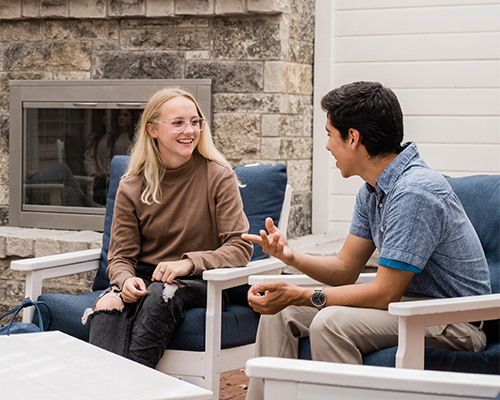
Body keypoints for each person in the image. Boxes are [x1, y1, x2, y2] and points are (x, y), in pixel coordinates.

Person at [243, 81, 492, 400]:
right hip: (403, 309)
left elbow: (383, 293)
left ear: (353, 137)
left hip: (452, 321)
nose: (327, 146)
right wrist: (292, 256)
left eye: (329, 134)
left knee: (331, 322)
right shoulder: (372, 191)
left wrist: (302, 294)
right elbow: (346, 268)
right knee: (280, 313)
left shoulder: (414, 193)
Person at [85, 87, 253, 368]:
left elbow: (240, 247)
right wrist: (126, 282)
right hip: (146, 277)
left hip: (203, 282)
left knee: (162, 293)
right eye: (178, 123)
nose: (190, 130)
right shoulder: (132, 185)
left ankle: (134, 388)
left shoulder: (218, 176)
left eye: (195, 121)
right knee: (107, 306)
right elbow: (120, 257)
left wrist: (188, 264)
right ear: (152, 129)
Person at [84, 109, 140, 204]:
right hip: (102, 179)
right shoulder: (105, 138)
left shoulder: (133, 139)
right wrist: (95, 173)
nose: (122, 118)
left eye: (126, 115)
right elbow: (90, 158)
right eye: (120, 115)